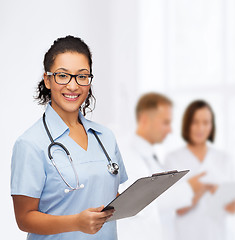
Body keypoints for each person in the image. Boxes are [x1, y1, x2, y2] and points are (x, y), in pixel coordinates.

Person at [11, 35, 128, 240]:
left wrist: (141, 196)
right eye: (63, 76)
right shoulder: (30, 144)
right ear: (47, 80)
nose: (73, 86)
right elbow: (24, 218)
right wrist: (75, 223)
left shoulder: (105, 137)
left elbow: (109, 195)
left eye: (82, 76)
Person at [117, 93, 200, 240]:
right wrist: (189, 189)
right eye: (165, 122)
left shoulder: (150, 155)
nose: (170, 130)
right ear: (144, 120)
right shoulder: (127, 154)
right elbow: (140, 201)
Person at [164, 100, 235, 240]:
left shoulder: (224, 159)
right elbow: (177, 209)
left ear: (212, 126)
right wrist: (201, 188)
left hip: (218, 234)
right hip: (186, 235)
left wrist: (218, 192)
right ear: (187, 124)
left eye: (206, 122)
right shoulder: (173, 159)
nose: (200, 128)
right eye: (195, 122)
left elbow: (233, 208)